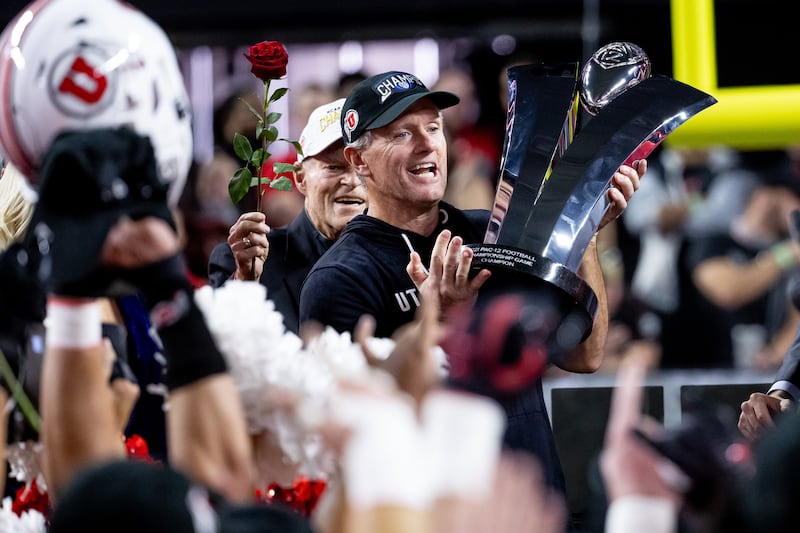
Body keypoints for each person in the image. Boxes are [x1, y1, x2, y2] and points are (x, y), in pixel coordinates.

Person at [298, 70, 644, 498]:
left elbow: (584, 354)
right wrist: (441, 325)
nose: (427, 144)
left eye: (432, 127)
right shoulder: (340, 279)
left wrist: (586, 230)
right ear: (358, 161)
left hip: (536, 507)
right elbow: (354, 444)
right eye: (401, 134)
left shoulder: (494, 234)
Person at [208, 98, 367, 333]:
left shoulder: (405, 258)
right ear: (300, 178)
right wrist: (245, 283)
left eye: (362, 166)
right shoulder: (244, 259)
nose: (352, 181)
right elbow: (219, 354)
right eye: (334, 167)